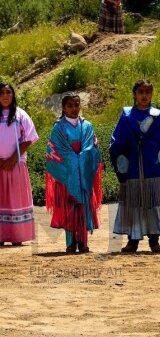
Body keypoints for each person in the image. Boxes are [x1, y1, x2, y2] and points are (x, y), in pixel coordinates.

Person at [110, 80, 160, 253]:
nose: (144, 95)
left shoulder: (158, 116)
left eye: (147, 92)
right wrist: (130, 144)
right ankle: (133, 240)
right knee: (134, 203)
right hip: (132, 166)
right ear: (134, 94)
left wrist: (146, 143)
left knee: (153, 201)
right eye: (140, 92)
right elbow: (118, 138)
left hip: (151, 167)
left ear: (152, 95)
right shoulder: (127, 115)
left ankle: (154, 240)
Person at [45, 93, 103, 254]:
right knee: (69, 208)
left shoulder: (87, 126)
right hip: (67, 176)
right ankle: (70, 243)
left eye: (77, 105)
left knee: (83, 208)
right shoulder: (58, 127)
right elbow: (56, 149)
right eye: (70, 105)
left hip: (83, 175)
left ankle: (83, 242)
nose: (74, 108)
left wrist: (82, 159)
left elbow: (91, 147)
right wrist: (73, 161)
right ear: (63, 108)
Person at [0, 83, 37, 246]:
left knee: (16, 199)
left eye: (8, 92)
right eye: (1, 93)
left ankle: (17, 236)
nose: (5, 96)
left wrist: (12, 159)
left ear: (13, 95)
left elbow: (28, 139)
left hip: (16, 164)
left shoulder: (20, 115)